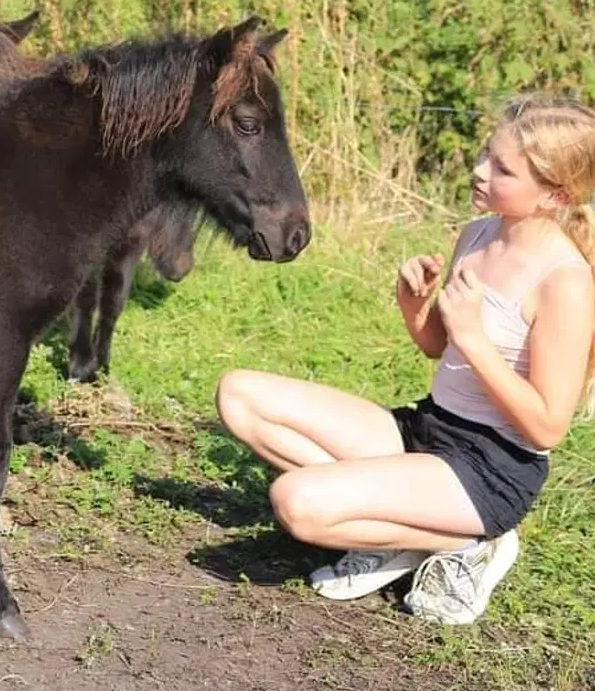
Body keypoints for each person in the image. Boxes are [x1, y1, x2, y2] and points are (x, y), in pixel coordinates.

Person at [215, 95, 595, 624]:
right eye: (487, 154)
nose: (480, 170)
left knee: (296, 504)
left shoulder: (566, 282)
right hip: (431, 428)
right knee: (238, 395)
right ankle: (402, 527)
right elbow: (440, 347)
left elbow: (549, 427)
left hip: (489, 468)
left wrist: (477, 341)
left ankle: (473, 542)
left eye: (502, 168)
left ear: (554, 194)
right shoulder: (479, 234)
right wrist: (415, 306)